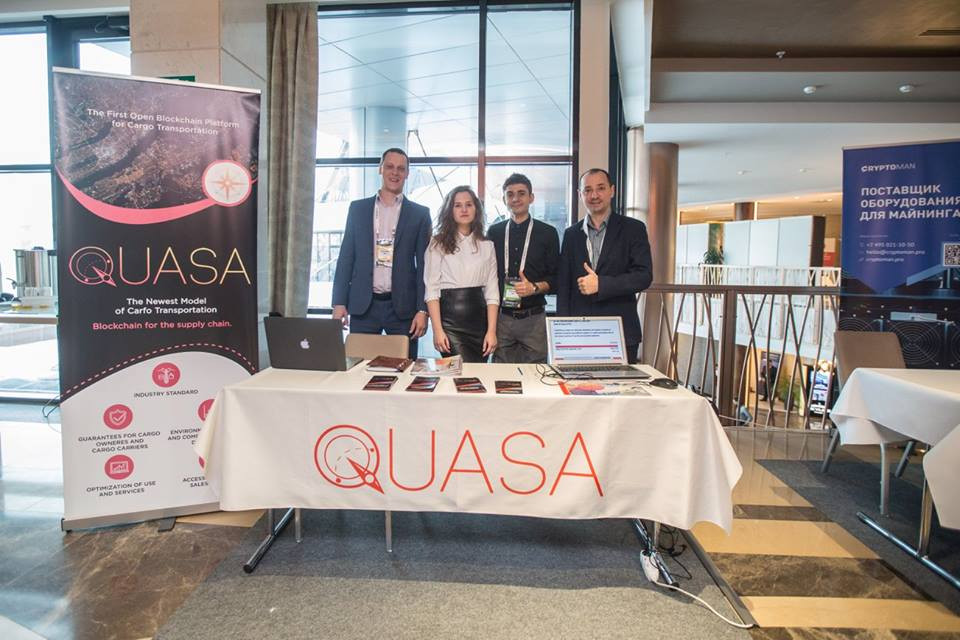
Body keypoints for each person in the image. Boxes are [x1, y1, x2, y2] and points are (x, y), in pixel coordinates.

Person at [331, 148, 432, 357]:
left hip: (403, 308)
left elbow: (425, 266)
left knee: (405, 367)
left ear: (407, 173)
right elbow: (346, 257)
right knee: (359, 366)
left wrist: (423, 310)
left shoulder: (420, 214)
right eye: (390, 167)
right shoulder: (357, 209)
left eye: (401, 169)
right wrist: (339, 302)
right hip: (364, 306)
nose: (395, 173)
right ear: (380, 169)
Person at [557, 168, 653, 364]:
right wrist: (562, 332)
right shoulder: (571, 234)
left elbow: (643, 276)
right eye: (588, 190)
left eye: (600, 188)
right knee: (578, 383)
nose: (594, 195)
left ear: (612, 190)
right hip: (579, 333)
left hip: (620, 332)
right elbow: (564, 286)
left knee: (620, 384)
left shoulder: (633, 229)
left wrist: (602, 284)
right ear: (580, 195)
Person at [486, 173, 559, 363]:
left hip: (534, 318)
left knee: (536, 373)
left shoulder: (548, 233)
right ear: (504, 199)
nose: (515, 199)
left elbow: (556, 278)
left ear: (531, 198)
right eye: (510, 194)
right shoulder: (494, 232)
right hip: (502, 318)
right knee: (500, 374)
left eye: (521, 193)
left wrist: (534, 287)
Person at [424, 186, 499, 362]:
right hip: (450, 323)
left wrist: (491, 331)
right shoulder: (437, 244)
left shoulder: (487, 245)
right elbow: (431, 290)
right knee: (461, 372)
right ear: (450, 211)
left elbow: (492, 293)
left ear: (476, 209)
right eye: (457, 205)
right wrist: (437, 330)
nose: (464, 209)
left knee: (476, 373)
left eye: (469, 204)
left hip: (480, 323)